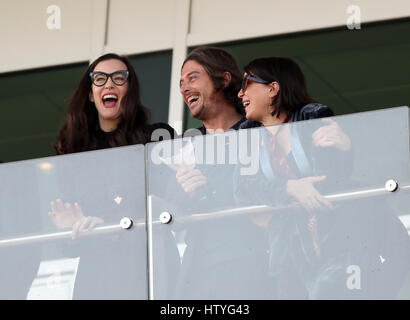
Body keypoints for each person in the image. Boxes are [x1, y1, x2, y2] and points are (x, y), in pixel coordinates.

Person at [234, 57, 410, 299]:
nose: (240, 93)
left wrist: (345, 150)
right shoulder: (248, 134)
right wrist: (289, 188)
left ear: (273, 89)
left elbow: (326, 178)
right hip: (290, 253)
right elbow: (243, 189)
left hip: (339, 240)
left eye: (247, 83)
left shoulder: (312, 116)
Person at [48, 53, 176, 299]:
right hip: (97, 275)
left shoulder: (157, 137)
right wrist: (71, 228)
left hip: (148, 265)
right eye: (100, 79)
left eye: (119, 78)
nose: (109, 84)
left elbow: (166, 202)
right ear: (90, 93)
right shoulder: (74, 150)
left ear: (130, 91)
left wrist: (103, 222)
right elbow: (66, 244)